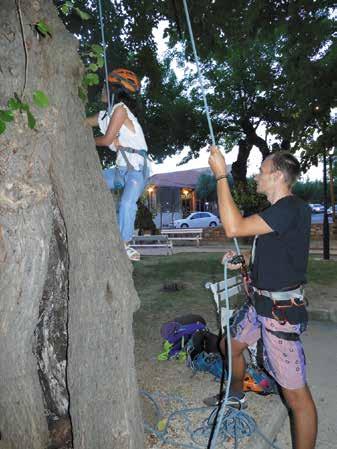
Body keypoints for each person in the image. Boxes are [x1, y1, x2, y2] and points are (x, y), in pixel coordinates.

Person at [205, 146, 317, 449]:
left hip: (279, 313)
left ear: (277, 176)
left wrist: (221, 176)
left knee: (296, 397)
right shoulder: (280, 213)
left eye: (262, 170)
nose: (257, 175)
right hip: (261, 304)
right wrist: (244, 266)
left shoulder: (289, 208)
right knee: (230, 345)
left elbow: (233, 227)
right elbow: (281, 257)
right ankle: (236, 395)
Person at [85, 68, 149, 261]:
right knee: (91, 183)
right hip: (120, 171)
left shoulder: (120, 110)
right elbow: (80, 123)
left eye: (107, 86)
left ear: (116, 90)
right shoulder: (104, 116)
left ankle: (125, 243)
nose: (103, 89)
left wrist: (85, 141)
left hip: (136, 172)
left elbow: (105, 140)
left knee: (127, 203)